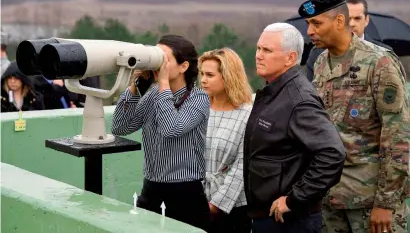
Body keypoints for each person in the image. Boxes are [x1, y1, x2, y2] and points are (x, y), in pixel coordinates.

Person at [299, 0, 409, 233]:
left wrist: (386, 203)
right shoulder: (320, 63)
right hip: (330, 199)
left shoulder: (378, 62)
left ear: (339, 21)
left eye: (316, 23)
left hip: (370, 204)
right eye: (308, 24)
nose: (309, 31)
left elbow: (398, 136)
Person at [243, 22, 346, 233]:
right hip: (267, 217)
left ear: (290, 58)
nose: (259, 55)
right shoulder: (275, 91)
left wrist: (294, 199)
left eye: (267, 50)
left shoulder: (299, 100)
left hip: (289, 221)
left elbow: (332, 153)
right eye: (258, 48)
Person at [111, 34, 211, 232]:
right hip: (151, 189)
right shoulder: (151, 96)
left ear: (183, 67)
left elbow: (171, 129)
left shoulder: (198, 99)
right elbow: (119, 127)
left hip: (185, 193)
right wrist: (134, 86)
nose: (158, 64)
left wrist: (163, 85)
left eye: (163, 59)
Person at [198, 48, 253, 233]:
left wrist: (216, 205)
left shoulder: (247, 115)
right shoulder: (198, 108)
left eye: (210, 75)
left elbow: (242, 167)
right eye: (202, 74)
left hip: (233, 209)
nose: (203, 79)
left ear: (228, 76)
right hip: (196, 200)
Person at [305, 0, 402, 82]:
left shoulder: (384, 53)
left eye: (357, 18)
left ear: (366, 20)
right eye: (348, 18)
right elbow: (309, 92)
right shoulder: (318, 53)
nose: (352, 24)